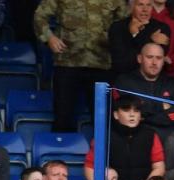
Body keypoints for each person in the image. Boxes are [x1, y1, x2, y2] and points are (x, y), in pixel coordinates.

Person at [33, 0, 125, 132]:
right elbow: (40, 16)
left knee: (104, 119)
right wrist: (50, 38)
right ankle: (62, 150)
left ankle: (102, 152)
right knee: (63, 116)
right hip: (68, 62)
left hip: (101, 63)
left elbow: (125, 23)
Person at [86, 95, 166, 180]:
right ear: (116, 115)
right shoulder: (104, 136)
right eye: (126, 110)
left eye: (136, 111)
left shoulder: (151, 135)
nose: (132, 114)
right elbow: (90, 167)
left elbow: (159, 167)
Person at [113, 41, 174, 133]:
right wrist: (162, 107)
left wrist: (145, 114)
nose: (154, 62)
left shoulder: (172, 82)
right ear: (139, 58)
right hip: (135, 134)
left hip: (167, 135)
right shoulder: (124, 81)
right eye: (149, 57)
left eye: (159, 58)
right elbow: (123, 111)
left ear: (163, 61)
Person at [108, 0, 170, 76]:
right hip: (124, 79)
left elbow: (156, 64)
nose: (145, 9)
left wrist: (136, 36)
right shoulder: (117, 27)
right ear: (132, 7)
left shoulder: (162, 28)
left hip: (152, 82)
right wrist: (139, 36)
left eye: (148, 5)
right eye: (140, 5)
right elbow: (121, 64)